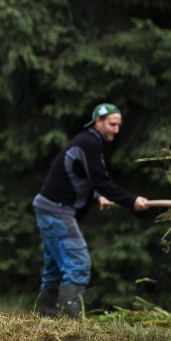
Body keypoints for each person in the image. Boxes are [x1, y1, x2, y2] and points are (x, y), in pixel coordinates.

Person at [32, 103, 148, 318]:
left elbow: (80, 176)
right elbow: (101, 180)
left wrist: (96, 197)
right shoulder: (88, 143)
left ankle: (45, 313)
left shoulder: (89, 143)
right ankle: (69, 320)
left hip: (48, 208)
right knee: (78, 264)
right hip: (56, 211)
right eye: (112, 124)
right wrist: (132, 201)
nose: (116, 130)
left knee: (56, 267)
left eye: (118, 126)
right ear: (98, 122)